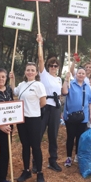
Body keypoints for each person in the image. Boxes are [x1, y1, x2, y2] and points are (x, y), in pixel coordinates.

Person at [10, 62, 47, 182]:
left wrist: (33, 110)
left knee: (35, 146)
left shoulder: (38, 85)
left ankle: (40, 172)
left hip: (34, 119)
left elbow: (43, 102)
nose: (30, 72)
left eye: (32, 70)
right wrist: (12, 79)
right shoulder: (21, 84)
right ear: (25, 72)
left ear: (36, 73)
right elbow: (14, 92)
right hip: (22, 119)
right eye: (28, 70)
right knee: (25, 145)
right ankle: (26, 170)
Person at [36, 34, 63, 172]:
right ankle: (36, 162)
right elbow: (40, 59)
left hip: (56, 108)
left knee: (53, 135)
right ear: (48, 66)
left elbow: (61, 94)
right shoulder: (44, 75)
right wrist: (40, 43)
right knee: (39, 134)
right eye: (51, 65)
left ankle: (53, 161)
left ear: (58, 67)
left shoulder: (59, 79)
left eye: (56, 65)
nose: (53, 67)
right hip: (44, 106)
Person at [61, 67, 91, 167]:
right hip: (70, 116)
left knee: (80, 137)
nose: (81, 75)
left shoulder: (87, 87)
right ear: (76, 74)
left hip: (83, 117)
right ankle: (68, 157)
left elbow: (90, 102)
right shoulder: (71, 83)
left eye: (83, 73)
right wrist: (66, 80)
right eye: (79, 73)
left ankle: (77, 155)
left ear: (85, 75)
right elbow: (64, 92)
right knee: (70, 137)